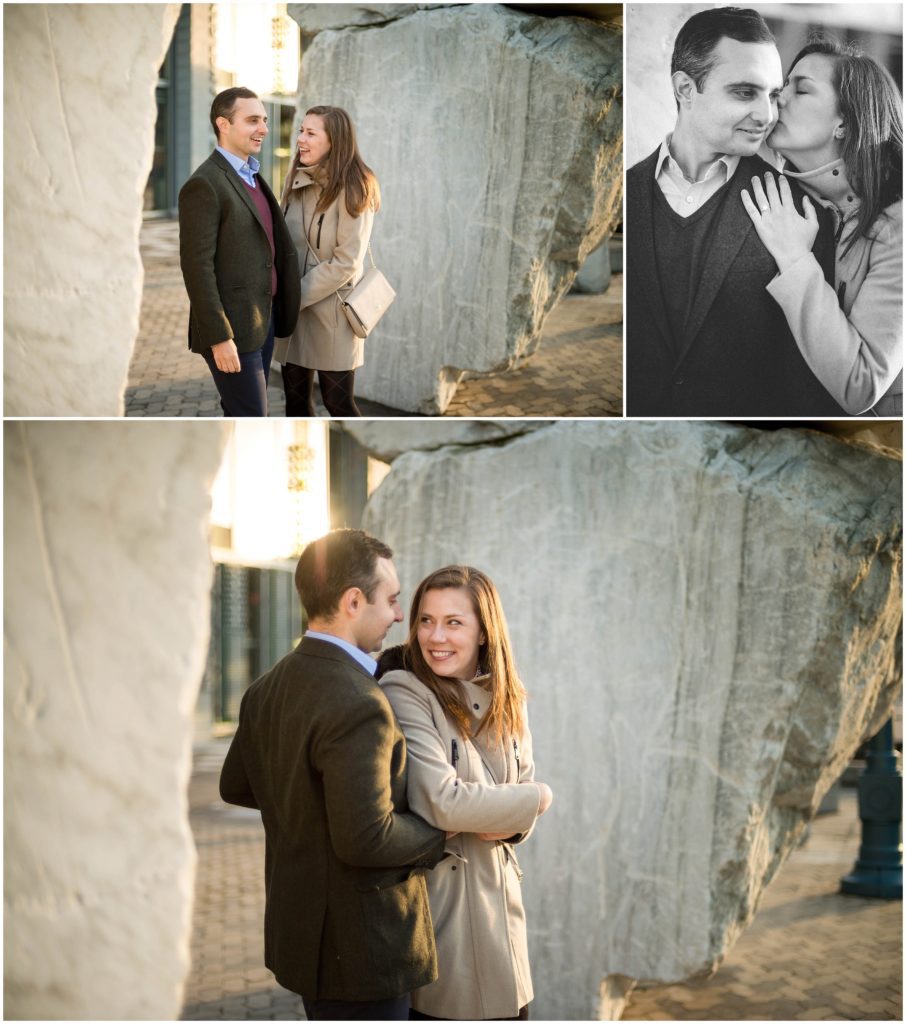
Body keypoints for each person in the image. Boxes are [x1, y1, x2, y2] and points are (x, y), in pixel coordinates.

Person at [219, 530, 447, 1021]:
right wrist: (442, 829)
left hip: (303, 939)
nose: (397, 615)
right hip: (364, 952)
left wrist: (309, 809)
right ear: (352, 600)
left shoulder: (266, 687)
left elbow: (235, 785)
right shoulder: (360, 702)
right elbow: (367, 838)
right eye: (391, 600)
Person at [626, 7, 845, 416]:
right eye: (745, 93)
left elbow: (804, 383)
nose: (766, 116)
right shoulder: (622, 193)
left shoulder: (801, 214)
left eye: (773, 95)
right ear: (686, 89)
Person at [377, 566, 554, 1021]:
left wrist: (512, 814)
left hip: (505, 931)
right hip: (445, 928)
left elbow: (515, 810)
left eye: (454, 622)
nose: (436, 636)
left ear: (482, 631)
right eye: (425, 620)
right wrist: (537, 798)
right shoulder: (404, 689)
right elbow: (441, 801)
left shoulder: (507, 696)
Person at [740, 38, 903, 416]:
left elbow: (861, 384)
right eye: (783, 86)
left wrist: (795, 258)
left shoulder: (897, 228)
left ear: (843, 122)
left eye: (802, 89)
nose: (779, 98)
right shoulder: (788, 198)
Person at [178, 87, 301, 417]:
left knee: (240, 413)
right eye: (252, 120)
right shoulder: (204, 184)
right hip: (232, 330)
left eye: (263, 120)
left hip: (263, 321)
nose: (263, 128)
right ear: (224, 124)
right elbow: (196, 268)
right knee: (253, 416)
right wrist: (219, 338)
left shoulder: (251, 175)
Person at [275, 106, 379, 417]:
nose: (300, 140)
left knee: (338, 404)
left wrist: (293, 297)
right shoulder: (295, 178)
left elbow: (346, 262)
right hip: (294, 316)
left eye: (310, 133)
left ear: (334, 140)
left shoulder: (355, 186)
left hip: (331, 314)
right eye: (300, 131)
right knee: (294, 403)